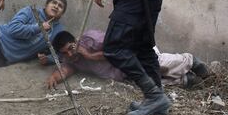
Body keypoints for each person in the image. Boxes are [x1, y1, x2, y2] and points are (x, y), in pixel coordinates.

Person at [46, 30, 209, 92]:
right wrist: (55, 76)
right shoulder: (72, 59)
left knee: (159, 65)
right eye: (65, 52)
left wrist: (89, 55)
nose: (69, 53)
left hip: (135, 55)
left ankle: (190, 61)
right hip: (124, 73)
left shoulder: (91, 39)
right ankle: (186, 79)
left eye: (70, 47)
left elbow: (116, 50)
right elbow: (66, 69)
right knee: (153, 82)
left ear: (76, 40)